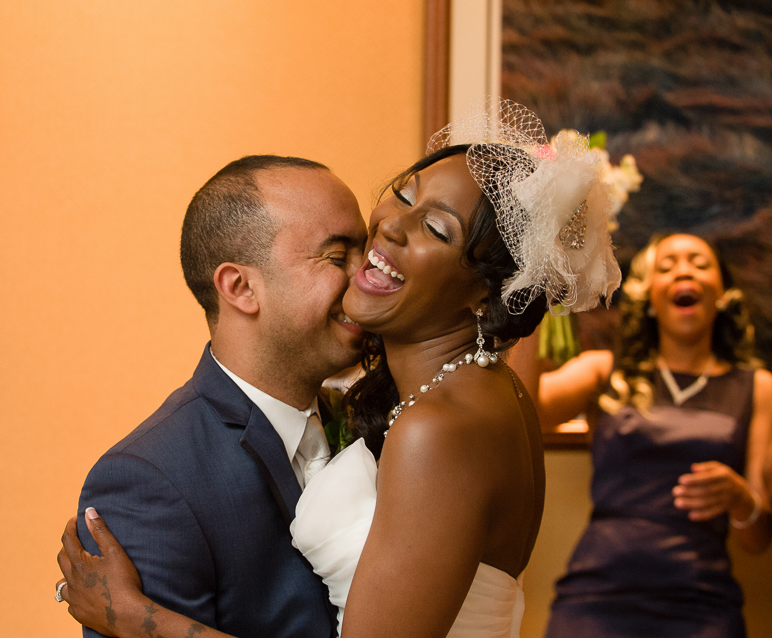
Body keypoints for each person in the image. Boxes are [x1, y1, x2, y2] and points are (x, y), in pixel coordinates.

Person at [58, 99, 622, 638]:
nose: (378, 247)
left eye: (438, 229)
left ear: (484, 290)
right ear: (241, 288)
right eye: (402, 196)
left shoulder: (441, 423)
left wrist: (139, 621)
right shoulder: (153, 478)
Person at [57, 154, 369, 638]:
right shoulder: (148, 479)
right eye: (337, 257)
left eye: (365, 255)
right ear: (241, 287)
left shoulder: (371, 422)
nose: (367, 279)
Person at [539, 233, 772, 637]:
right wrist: (534, 287)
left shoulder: (759, 388)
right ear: (648, 296)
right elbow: (527, 410)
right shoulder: (602, 369)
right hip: (596, 602)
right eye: (667, 266)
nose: (684, 270)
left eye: (699, 263)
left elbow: (756, 541)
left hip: (701, 607)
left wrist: (739, 499)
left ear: (723, 292)